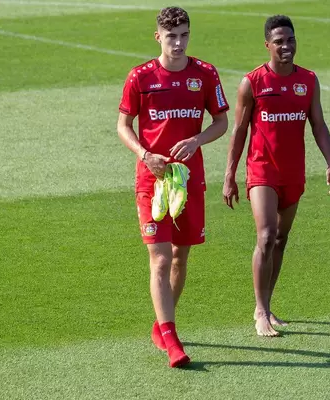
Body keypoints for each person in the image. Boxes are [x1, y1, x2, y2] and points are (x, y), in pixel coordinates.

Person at [117, 6, 229, 367]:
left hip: (189, 180)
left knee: (181, 256)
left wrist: (197, 140)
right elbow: (123, 125)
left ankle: (161, 324)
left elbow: (222, 122)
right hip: (152, 180)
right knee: (161, 258)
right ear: (158, 37)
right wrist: (144, 153)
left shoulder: (206, 74)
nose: (178, 43)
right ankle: (171, 336)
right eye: (171, 37)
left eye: (183, 35)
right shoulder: (140, 77)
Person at [223, 15, 330, 337]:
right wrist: (230, 174)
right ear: (267, 45)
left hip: (293, 172)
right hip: (262, 170)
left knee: (280, 240)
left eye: (290, 40)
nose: (286, 47)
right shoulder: (252, 83)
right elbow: (239, 130)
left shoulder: (308, 81)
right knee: (265, 235)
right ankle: (259, 312)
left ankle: (268, 305)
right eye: (279, 42)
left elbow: (318, 124)